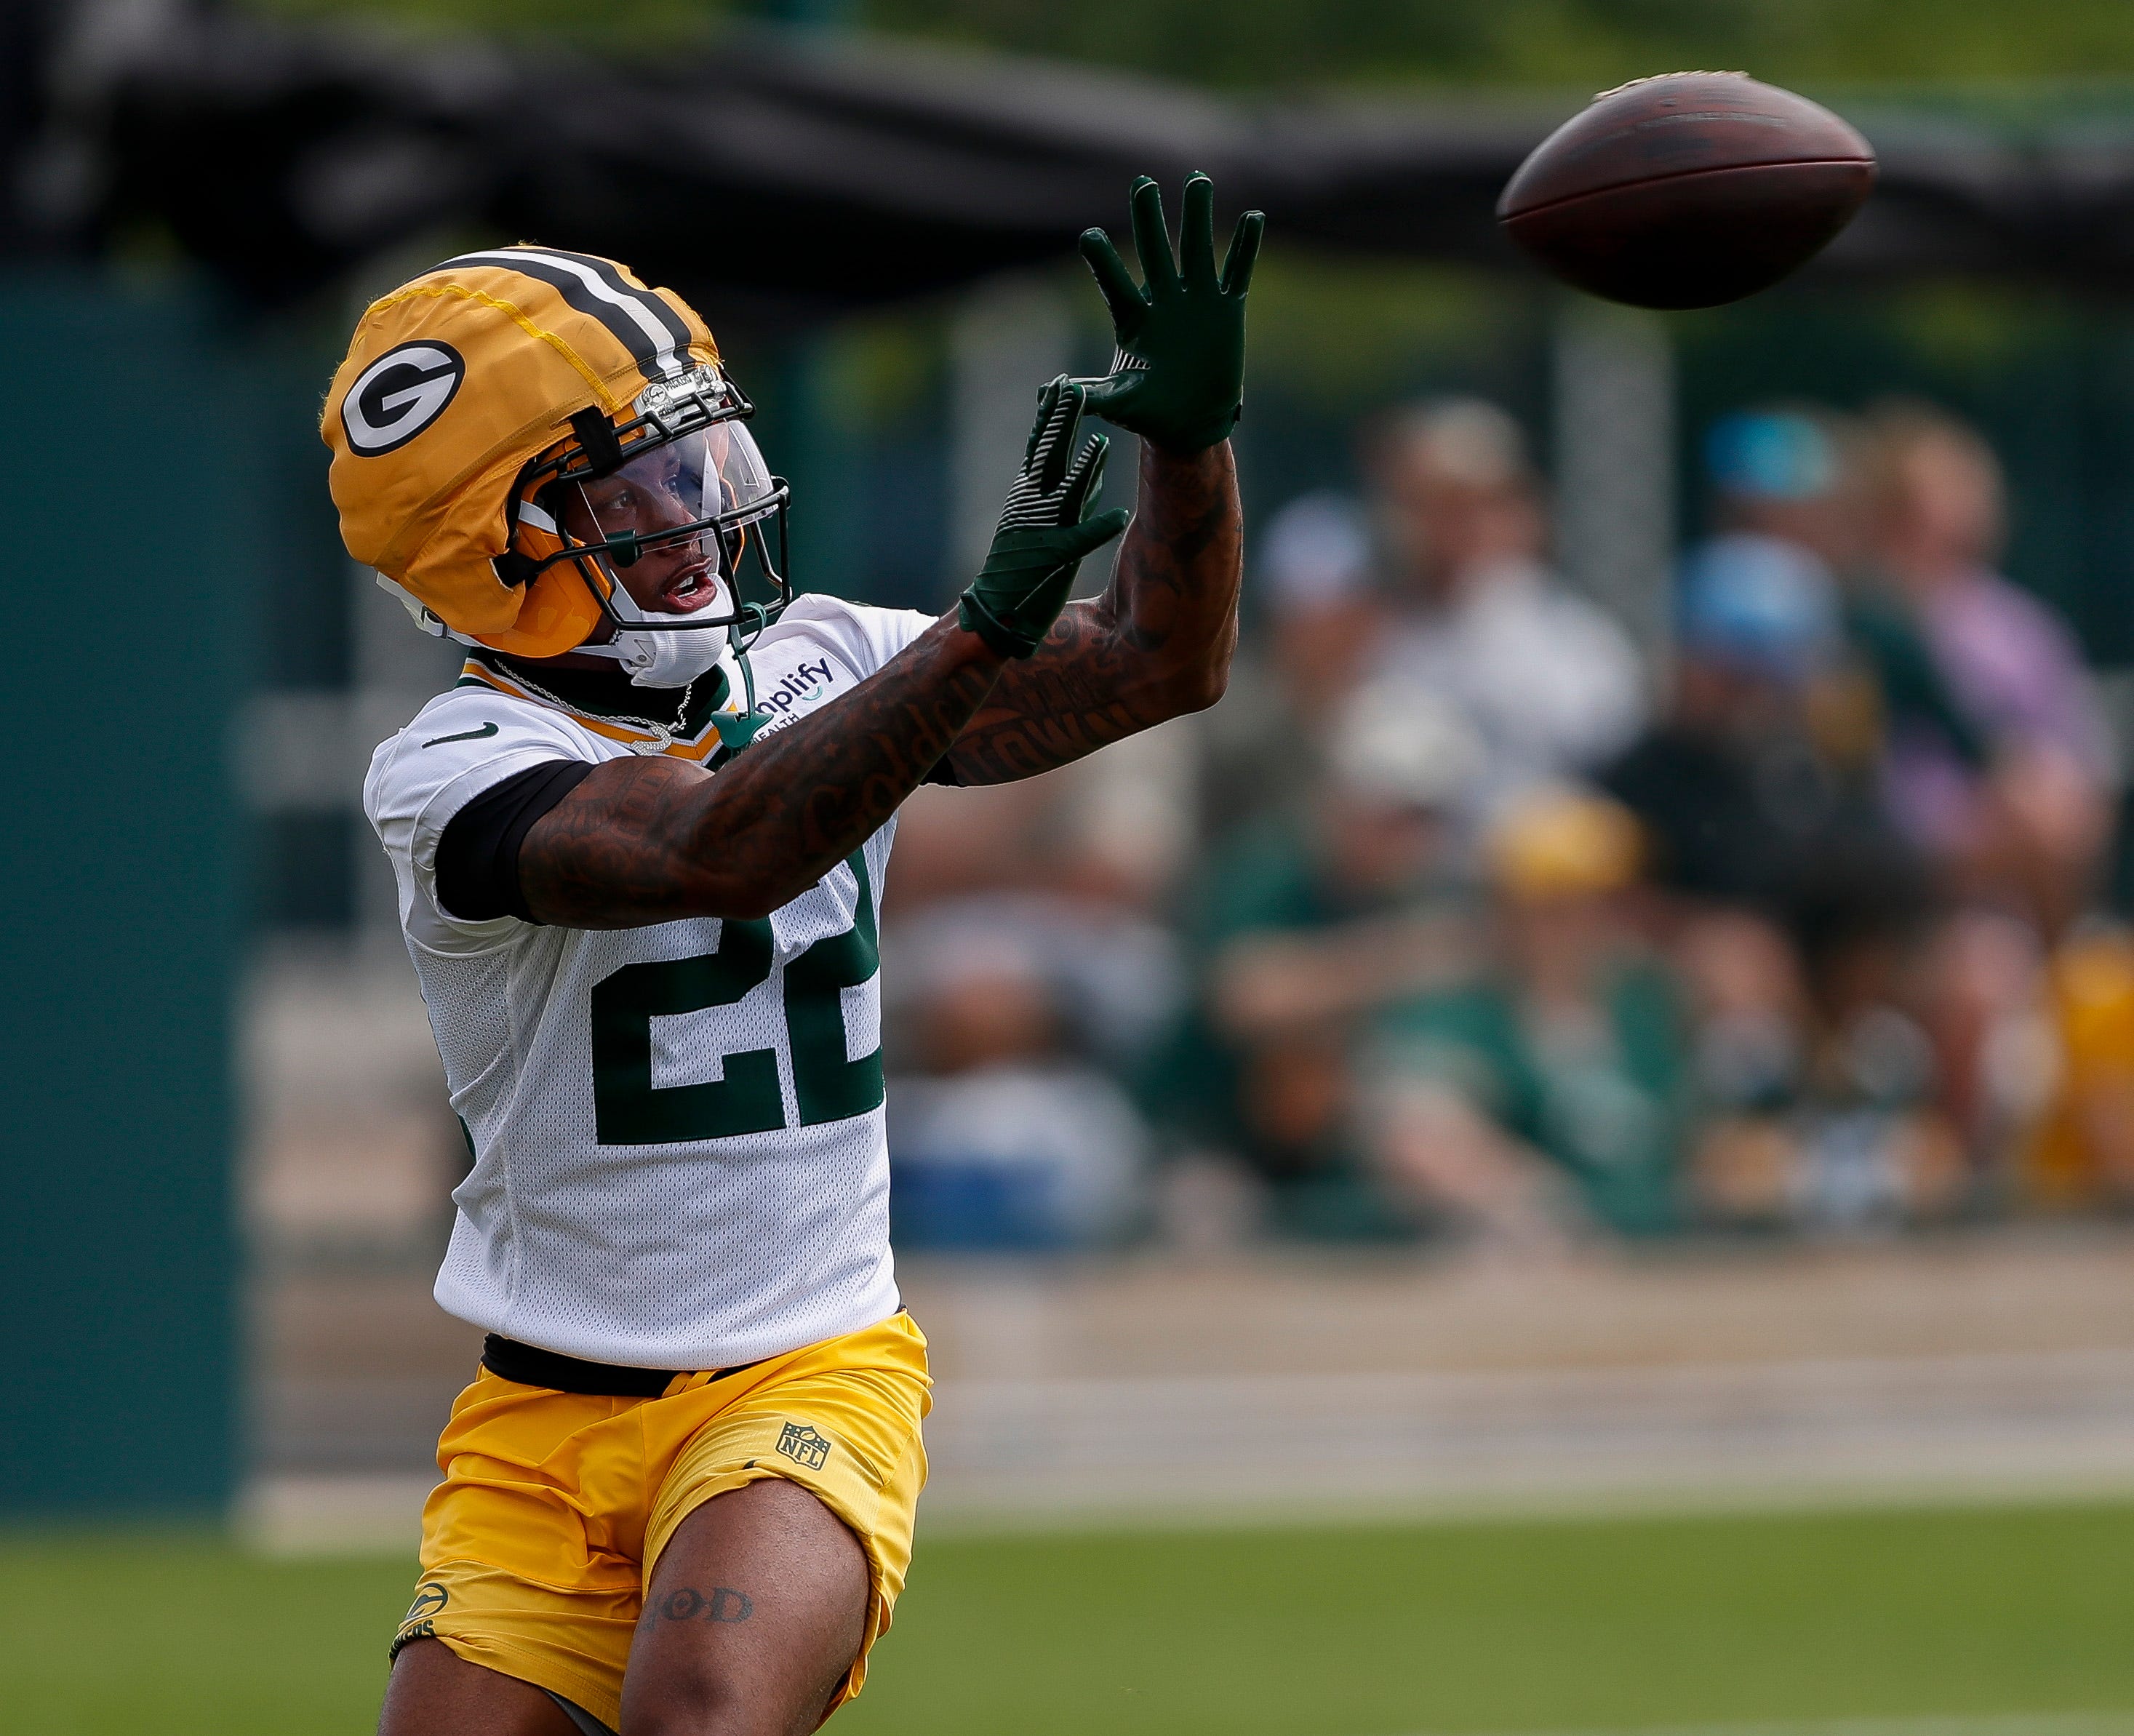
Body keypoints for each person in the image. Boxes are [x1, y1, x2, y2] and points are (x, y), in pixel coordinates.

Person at [335, 176, 1261, 1736]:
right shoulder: (450, 768)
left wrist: (1188, 439)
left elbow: (1164, 657)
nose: (692, 508)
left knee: (703, 1712)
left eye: (690, 458)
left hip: (801, 1371)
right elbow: (716, 843)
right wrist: (976, 626)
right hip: (538, 1415)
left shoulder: (822, 652)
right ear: (491, 546)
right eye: (625, 491)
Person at [1361, 398, 1646, 821]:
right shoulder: (1377, 635)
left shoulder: (1577, 644)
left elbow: (1614, 768)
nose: (1455, 526)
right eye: (1430, 506)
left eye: (1476, 504)